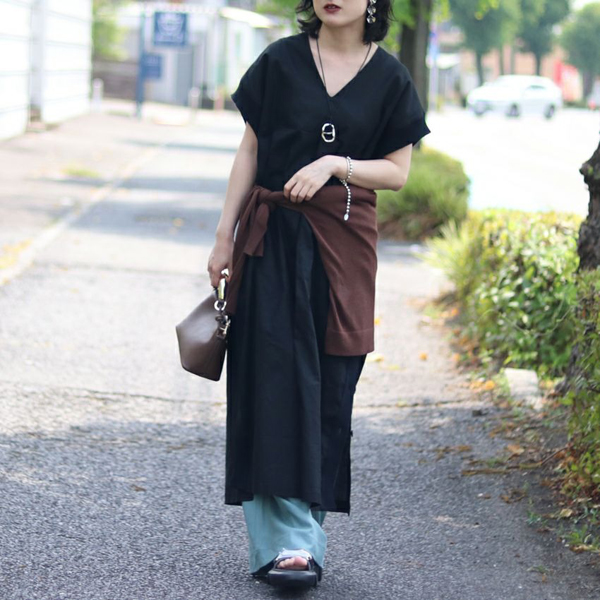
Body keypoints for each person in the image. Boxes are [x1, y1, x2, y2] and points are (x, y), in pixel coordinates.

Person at [207, 0, 430, 589]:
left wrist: (335, 164)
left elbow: (397, 171)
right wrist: (224, 236)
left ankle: (303, 532)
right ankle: (287, 545)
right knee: (272, 380)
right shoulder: (279, 61)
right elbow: (250, 151)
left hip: (344, 245)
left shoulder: (390, 77)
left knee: (332, 382)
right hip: (272, 241)